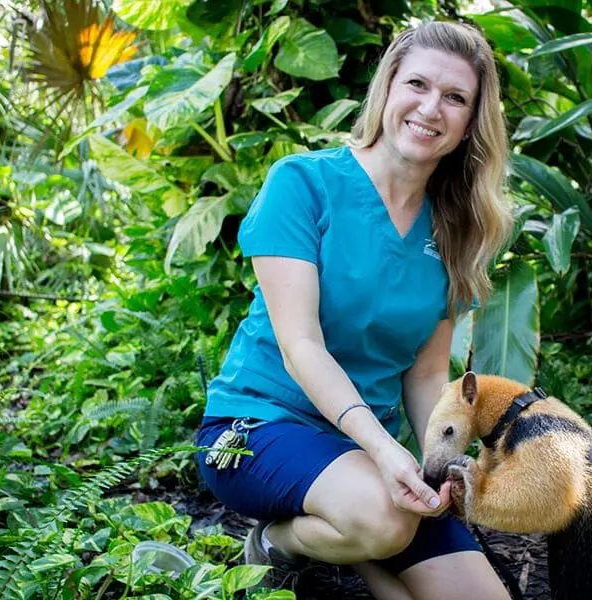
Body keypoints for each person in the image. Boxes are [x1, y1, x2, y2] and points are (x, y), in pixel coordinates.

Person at [195, 20, 513, 600]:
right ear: (387, 88)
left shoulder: (454, 229)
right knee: (385, 520)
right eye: (416, 84)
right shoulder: (303, 184)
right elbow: (301, 348)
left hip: (365, 455)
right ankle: (279, 544)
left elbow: (424, 375)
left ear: (470, 123)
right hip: (259, 428)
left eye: (455, 98)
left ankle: (357, 555)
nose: (430, 108)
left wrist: (440, 467)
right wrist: (386, 451)